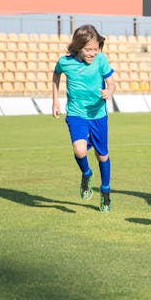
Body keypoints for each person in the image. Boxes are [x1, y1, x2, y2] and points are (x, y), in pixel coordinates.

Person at [52, 24, 116, 212]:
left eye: (95, 49)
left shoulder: (101, 60)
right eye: (88, 49)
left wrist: (109, 92)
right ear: (78, 46)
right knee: (80, 151)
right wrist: (55, 101)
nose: (92, 53)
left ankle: (105, 193)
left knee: (102, 155)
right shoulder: (65, 62)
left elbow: (111, 83)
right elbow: (55, 75)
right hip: (76, 114)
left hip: (98, 116)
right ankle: (86, 174)